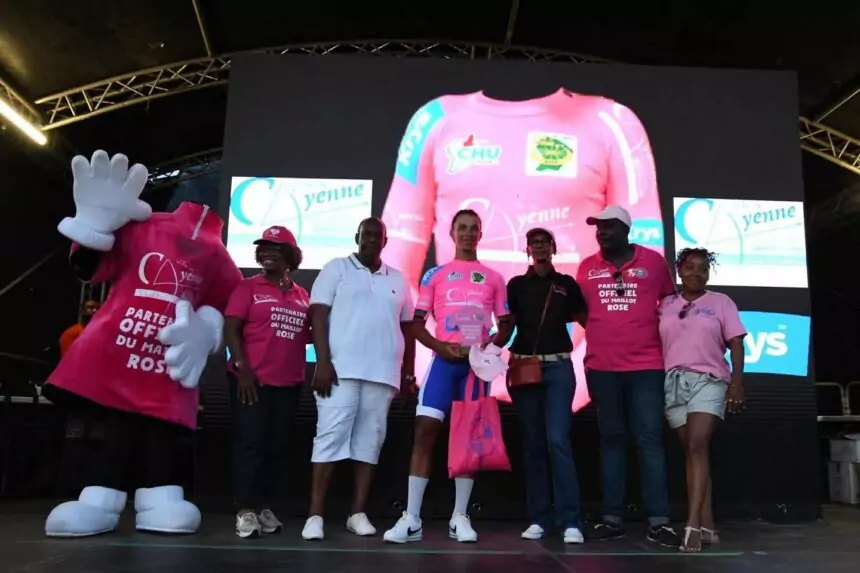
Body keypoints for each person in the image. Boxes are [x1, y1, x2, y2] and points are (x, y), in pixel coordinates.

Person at [381, 89, 665, 413]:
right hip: (456, 364)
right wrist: (438, 358)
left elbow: (642, 280)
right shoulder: (433, 119)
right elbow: (396, 275)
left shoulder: (613, 122)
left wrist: (581, 379)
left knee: (554, 438)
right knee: (448, 435)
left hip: (570, 374)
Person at [43, 150, 242, 537]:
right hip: (120, 351)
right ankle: (99, 499)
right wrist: (93, 225)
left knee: (159, 433)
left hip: (168, 362)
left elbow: (227, 304)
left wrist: (205, 330)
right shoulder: (144, 228)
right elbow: (89, 268)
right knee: (117, 427)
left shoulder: (219, 257)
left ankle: (157, 498)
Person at [383, 209, 513, 544]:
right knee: (424, 431)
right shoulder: (436, 275)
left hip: (474, 370)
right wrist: (440, 346)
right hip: (442, 364)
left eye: (474, 228)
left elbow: (506, 325)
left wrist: (486, 347)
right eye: (462, 228)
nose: (468, 233)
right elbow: (415, 323)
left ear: (480, 235)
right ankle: (411, 518)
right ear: (452, 233)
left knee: (468, 440)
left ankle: (460, 517)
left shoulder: (494, 278)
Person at [302, 218, 416, 541]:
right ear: (356, 237)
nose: (371, 239)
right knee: (329, 439)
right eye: (366, 234)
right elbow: (317, 315)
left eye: (377, 236)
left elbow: (408, 328)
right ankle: (315, 516)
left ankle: (357, 514)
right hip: (340, 372)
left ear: (385, 241)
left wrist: (408, 372)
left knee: (369, 443)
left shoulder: (398, 279)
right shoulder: (336, 269)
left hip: (383, 375)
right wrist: (323, 362)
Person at [575, 205, 680, 547]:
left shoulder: (654, 263)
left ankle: (659, 522)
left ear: (626, 230)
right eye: (598, 227)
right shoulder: (587, 267)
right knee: (612, 441)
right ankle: (612, 520)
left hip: (647, 366)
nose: (602, 232)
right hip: (602, 367)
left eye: (608, 227)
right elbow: (581, 311)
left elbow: (671, 307)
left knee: (649, 440)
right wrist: (606, 331)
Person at [224, 225, 310, 539]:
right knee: (252, 444)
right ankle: (245, 510)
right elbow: (231, 328)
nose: (268, 252)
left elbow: (308, 334)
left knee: (277, 447)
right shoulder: (247, 287)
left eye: (276, 247)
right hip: (252, 381)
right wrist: (243, 368)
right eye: (264, 248)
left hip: (288, 383)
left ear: (290, 255)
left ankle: (263, 507)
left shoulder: (302, 294)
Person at [658, 248, 746, 552]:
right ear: (679, 271)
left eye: (703, 268)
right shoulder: (665, 304)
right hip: (673, 383)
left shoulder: (721, 302)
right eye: (690, 267)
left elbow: (736, 343)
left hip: (709, 380)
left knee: (697, 445)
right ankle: (708, 525)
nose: (696, 273)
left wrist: (736, 384)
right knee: (694, 452)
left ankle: (693, 525)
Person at [506, 227, 587, 544]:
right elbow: (507, 327)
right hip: (525, 368)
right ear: (527, 249)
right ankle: (539, 518)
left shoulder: (566, 284)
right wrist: (484, 349)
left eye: (544, 242)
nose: (539, 246)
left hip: (558, 368)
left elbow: (588, 321)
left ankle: (571, 520)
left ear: (553, 248)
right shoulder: (516, 285)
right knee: (534, 445)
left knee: (558, 440)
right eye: (533, 242)